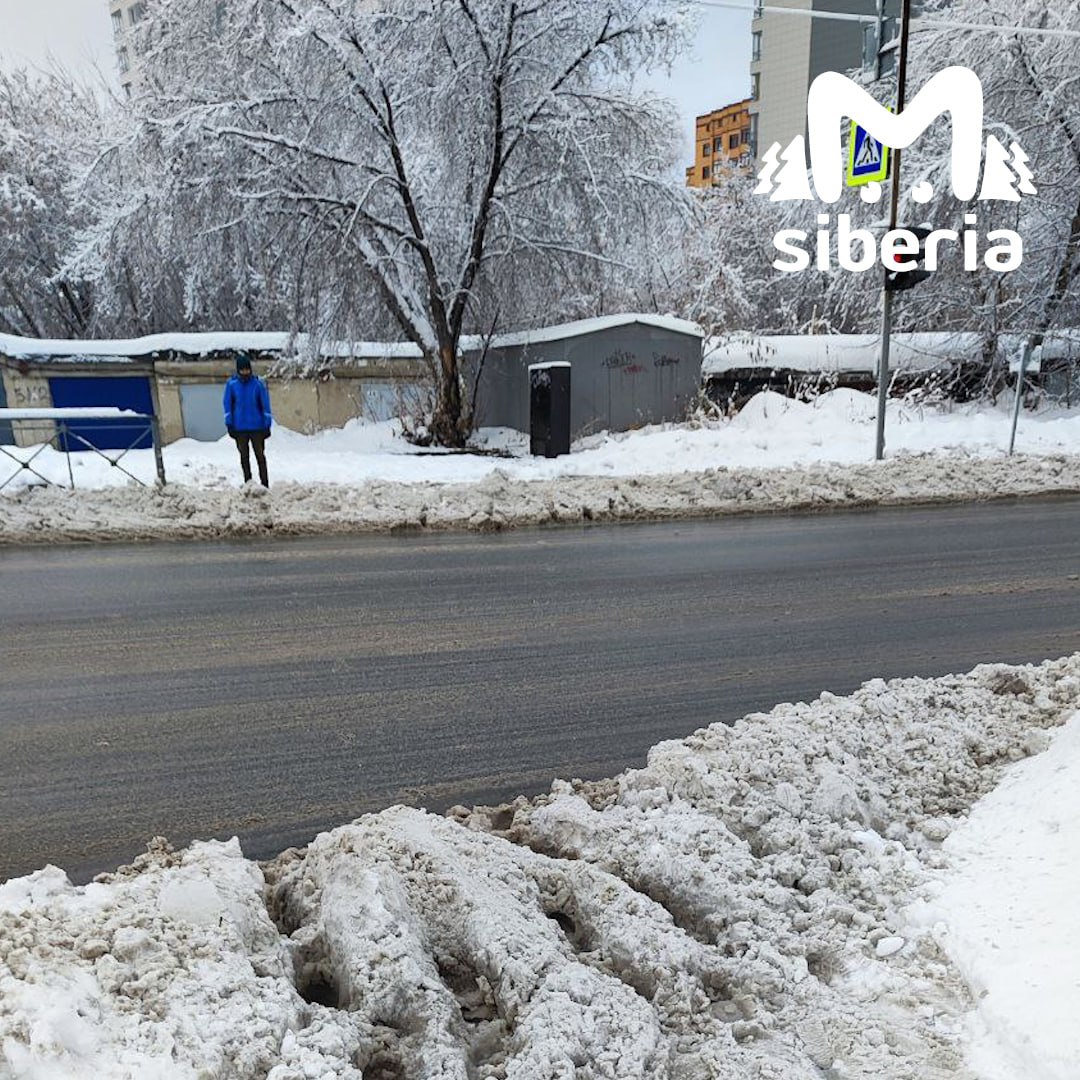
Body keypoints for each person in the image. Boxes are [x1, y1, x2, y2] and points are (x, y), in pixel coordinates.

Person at [223, 353, 273, 486]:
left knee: (260, 457)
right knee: (244, 457)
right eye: (242, 370)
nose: (245, 372)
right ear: (238, 370)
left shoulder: (257, 384)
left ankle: (265, 483)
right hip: (239, 428)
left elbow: (265, 405)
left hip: (257, 427)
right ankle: (248, 482)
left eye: (247, 369)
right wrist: (229, 423)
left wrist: (267, 424)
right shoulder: (232, 385)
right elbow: (227, 404)